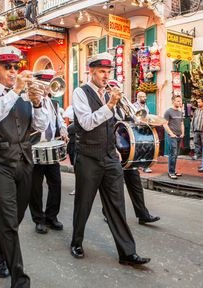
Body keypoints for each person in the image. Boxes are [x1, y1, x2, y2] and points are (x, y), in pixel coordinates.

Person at [0, 46, 49, 287]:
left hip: (24, 162)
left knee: (15, 218)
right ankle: (20, 280)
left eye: (16, 67)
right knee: (7, 221)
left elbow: (42, 126)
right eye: (8, 67)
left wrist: (37, 103)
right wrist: (16, 90)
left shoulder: (24, 94)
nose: (13, 71)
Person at [71, 52, 150, 265]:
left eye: (108, 72)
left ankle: (127, 252)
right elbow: (87, 123)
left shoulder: (109, 95)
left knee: (117, 205)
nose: (106, 77)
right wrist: (109, 105)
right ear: (91, 72)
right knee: (84, 203)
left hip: (109, 157)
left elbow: (113, 125)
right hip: (88, 157)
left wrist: (116, 147)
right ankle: (76, 241)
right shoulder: (80, 93)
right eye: (102, 72)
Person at [107, 80, 160, 225]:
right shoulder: (105, 105)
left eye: (117, 89)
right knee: (113, 185)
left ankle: (143, 214)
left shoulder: (125, 105)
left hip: (127, 151)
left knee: (135, 183)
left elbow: (135, 120)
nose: (116, 92)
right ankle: (109, 213)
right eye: (112, 90)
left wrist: (144, 121)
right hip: (111, 149)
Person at [29, 70, 68, 234]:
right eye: (43, 84)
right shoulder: (29, 102)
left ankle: (52, 216)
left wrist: (64, 131)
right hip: (35, 148)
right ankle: (38, 219)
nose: (46, 88)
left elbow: (59, 121)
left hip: (51, 148)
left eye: (48, 84)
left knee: (55, 184)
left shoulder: (54, 104)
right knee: (35, 186)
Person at [163, 95, 184, 179]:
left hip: (179, 136)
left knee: (176, 155)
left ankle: (173, 170)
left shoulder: (180, 112)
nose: (180, 102)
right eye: (178, 101)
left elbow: (182, 123)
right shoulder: (168, 111)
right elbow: (165, 124)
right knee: (173, 154)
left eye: (180, 101)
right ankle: (171, 172)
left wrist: (183, 133)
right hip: (172, 136)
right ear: (173, 101)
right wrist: (171, 134)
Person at [133, 91, 152, 173]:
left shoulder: (146, 107)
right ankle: (136, 165)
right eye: (143, 96)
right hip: (137, 129)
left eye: (145, 96)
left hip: (145, 129)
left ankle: (145, 166)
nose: (145, 98)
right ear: (138, 97)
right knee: (138, 148)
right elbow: (133, 117)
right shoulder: (134, 106)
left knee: (146, 147)